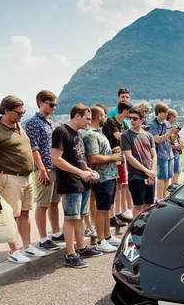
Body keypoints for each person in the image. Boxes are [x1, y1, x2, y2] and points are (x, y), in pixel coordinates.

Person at [0, 96, 43, 263]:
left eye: (23, 112)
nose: (21, 115)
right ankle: (13, 250)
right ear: (6, 110)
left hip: (26, 177)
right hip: (8, 177)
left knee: (25, 213)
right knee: (12, 216)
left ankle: (27, 246)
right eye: (18, 113)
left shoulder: (18, 126)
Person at [52, 104, 101, 268]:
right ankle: (70, 254)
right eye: (87, 119)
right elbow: (56, 159)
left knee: (80, 216)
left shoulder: (78, 134)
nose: (89, 122)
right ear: (77, 115)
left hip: (83, 181)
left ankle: (81, 248)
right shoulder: (61, 131)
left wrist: (89, 171)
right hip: (69, 181)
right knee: (71, 218)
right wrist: (80, 172)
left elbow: (80, 160)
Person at [25, 90, 63, 250]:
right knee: (42, 204)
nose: (54, 107)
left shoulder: (50, 121)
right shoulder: (33, 123)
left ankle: (56, 232)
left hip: (54, 167)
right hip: (44, 168)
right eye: (51, 104)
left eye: (56, 104)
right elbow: (34, 148)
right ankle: (42, 238)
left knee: (54, 202)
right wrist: (41, 169)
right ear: (40, 103)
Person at [83, 105, 122, 253]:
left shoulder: (98, 133)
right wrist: (113, 157)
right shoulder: (90, 135)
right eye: (104, 115)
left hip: (109, 175)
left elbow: (101, 153)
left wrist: (111, 152)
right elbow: (94, 158)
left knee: (106, 208)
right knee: (101, 209)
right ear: (99, 116)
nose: (105, 118)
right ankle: (101, 240)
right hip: (102, 177)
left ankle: (107, 236)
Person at [121, 107, 156, 218]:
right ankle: (136, 227)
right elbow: (129, 157)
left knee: (149, 205)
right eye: (130, 118)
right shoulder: (125, 135)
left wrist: (152, 172)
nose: (132, 120)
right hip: (136, 176)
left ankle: (145, 226)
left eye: (135, 118)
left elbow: (154, 155)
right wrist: (147, 171)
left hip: (150, 175)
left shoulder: (149, 135)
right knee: (138, 205)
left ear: (142, 119)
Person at [103, 101, 132, 227]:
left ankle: (119, 212)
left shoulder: (124, 123)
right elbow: (118, 136)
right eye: (130, 112)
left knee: (120, 185)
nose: (131, 116)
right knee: (114, 187)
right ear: (125, 111)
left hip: (120, 157)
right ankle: (111, 215)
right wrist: (131, 134)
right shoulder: (111, 121)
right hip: (111, 157)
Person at [148, 102, 175, 199]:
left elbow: (171, 139)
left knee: (168, 177)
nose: (167, 115)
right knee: (161, 177)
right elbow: (157, 139)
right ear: (159, 112)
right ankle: (159, 198)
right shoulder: (152, 124)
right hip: (160, 153)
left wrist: (175, 133)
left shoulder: (167, 123)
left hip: (169, 153)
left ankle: (165, 197)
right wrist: (170, 133)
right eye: (165, 112)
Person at [168, 109, 184, 184]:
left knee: (178, 171)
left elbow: (177, 139)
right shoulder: (167, 127)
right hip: (173, 152)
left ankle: (175, 184)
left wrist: (177, 133)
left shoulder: (173, 127)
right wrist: (174, 133)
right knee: (175, 171)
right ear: (171, 117)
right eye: (175, 117)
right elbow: (170, 142)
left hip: (177, 152)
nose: (176, 118)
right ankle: (173, 185)